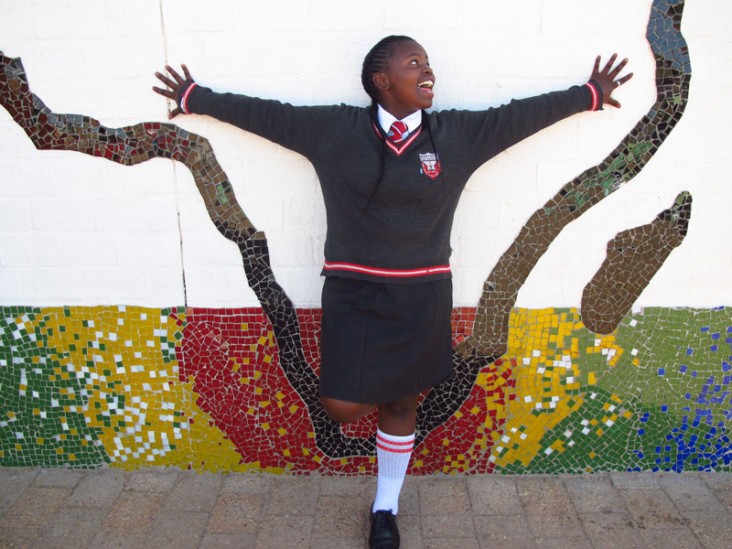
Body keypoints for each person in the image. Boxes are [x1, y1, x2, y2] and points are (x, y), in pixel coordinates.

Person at [153, 35, 631, 548]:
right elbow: (270, 116)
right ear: (382, 81)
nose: (428, 71)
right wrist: (194, 97)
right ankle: (382, 403)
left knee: (402, 405)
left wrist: (590, 93)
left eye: (428, 62)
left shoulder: (455, 136)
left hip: (420, 297)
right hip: (354, 294)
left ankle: (386, 507)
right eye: (414, 63)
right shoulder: (335, 130)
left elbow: (518, 117)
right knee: (341, 404)